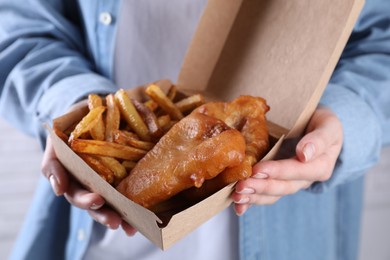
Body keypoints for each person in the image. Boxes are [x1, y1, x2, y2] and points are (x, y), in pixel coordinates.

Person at [0, 0, 389, 259]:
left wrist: (345, 116)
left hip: (291, 233)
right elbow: (18, 25)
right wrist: (67, 101)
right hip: (97, 235)